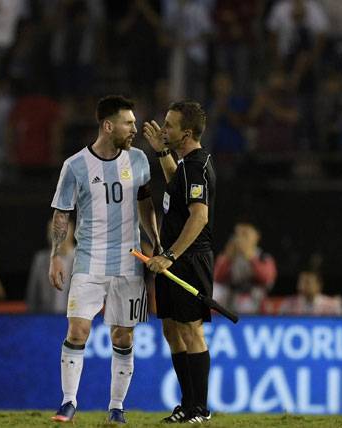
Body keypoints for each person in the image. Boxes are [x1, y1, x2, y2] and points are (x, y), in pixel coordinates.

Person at [48, 95, 161, 424]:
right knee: (78, 330)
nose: (134, 129)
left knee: (123, 336)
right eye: (128, 123)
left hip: (130, 263)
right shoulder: (75, 166)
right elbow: (62, 213)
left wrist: (156, 242)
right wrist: (56, 255)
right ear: (108, 126)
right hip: (88, 261)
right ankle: (68, 402)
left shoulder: (139, 160)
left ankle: (116, 407)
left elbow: (145, 203)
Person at [142, 101, 216, 423]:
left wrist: (170, 256)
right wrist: (161, 152)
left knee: (190, 331)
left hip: (187, 258)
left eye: (169, 125)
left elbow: (199, 217)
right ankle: (187, 405)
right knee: (172, 330)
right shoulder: (185, 165)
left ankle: (200, 409)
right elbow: (176, 184)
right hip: (170, 257)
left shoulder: (198, 165)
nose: (163, 129)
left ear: (186, 133)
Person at [214, 222, 277, 314]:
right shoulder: (229, 256)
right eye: (237, 234)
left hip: (255, 303)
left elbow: (267, 279)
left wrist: (250, 257)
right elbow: (217, 278)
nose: (240, 238)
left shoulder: (263, 257)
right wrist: (228, 258)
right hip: (231, 302)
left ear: (256, 236)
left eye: (245, 234)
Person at [26, 218, 75, 313]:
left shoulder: (81, 258)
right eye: (51, 231)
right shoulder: (40, 259)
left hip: (75, 319)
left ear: (71, 231)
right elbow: (32, 295)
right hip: (46, 319)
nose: (55, 234)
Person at [278, 270, 342, 316]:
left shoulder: (332, 305)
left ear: (318, 285)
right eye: (301, 282)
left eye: (307, 282)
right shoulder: (288, 304)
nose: (302, 286)